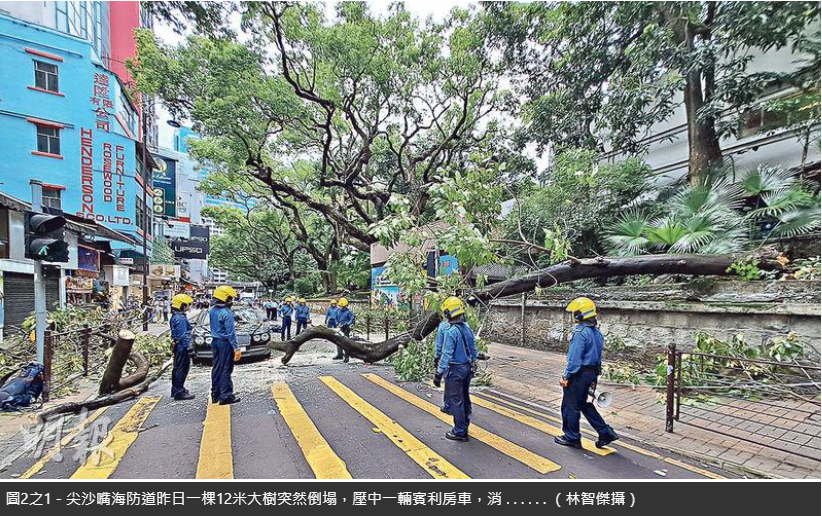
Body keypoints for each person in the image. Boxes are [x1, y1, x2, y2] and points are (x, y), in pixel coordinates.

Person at [554, 297, 619, 450]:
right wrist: (594, 377)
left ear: (579, 314)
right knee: (583, 404)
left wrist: (566, 376)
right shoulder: (597, 333)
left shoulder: (580, 333)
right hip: (591, 374)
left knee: (570, 406)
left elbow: (574, 360)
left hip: (579, 374)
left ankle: (572, 437)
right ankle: (606, 432)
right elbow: (598, 357)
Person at [434, 296, 477, 442]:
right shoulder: (467, 329)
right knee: (464, 396)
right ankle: (465, 424)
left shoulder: (451, 332)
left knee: (456, 401)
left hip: (455, 370)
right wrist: (473, 361)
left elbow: (446, 355)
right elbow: (473, 349)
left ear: (448, 313)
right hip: (467, 368)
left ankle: (460, 431)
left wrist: (439, 373)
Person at [209, 285, 242, 405]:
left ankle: (215, 394)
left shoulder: (212, 310)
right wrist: (236, 348)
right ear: (226, 299)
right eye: (230, 299)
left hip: (215, 342)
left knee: (216, 368)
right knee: (225, 369)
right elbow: (231, 334)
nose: (232, 301)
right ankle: (225, 396)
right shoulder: (227, 313)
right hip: (225, 343)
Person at [170, 294, 195, 401]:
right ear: (181, 305)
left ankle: (176, 389)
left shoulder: (177, 316)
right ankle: (179, 392)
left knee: (177, 368)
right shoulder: (180, 318)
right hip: (182, 346)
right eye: (187, 304)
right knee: (182, 368)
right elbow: (183, 335)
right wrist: (189, 348)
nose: (188, 306)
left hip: (178, 345)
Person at [433, 314, 455, 415]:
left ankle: (449, 407)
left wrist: (436, 358)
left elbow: (440, 346)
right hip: (464, 362)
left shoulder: (444, 326)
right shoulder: (465, 325)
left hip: (451, 362)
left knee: (450, 384)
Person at [335, 298, 355, 363]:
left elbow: (352, 319)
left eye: (344, 306)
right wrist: (337, 324)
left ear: (346, 306)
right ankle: (340, 355)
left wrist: (347, 324)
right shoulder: (338, 311)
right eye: (341, 306)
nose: (342, 308)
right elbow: (336, 318)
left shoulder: (348, 312)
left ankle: (347, 357)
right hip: (340, 328)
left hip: (346, 328)